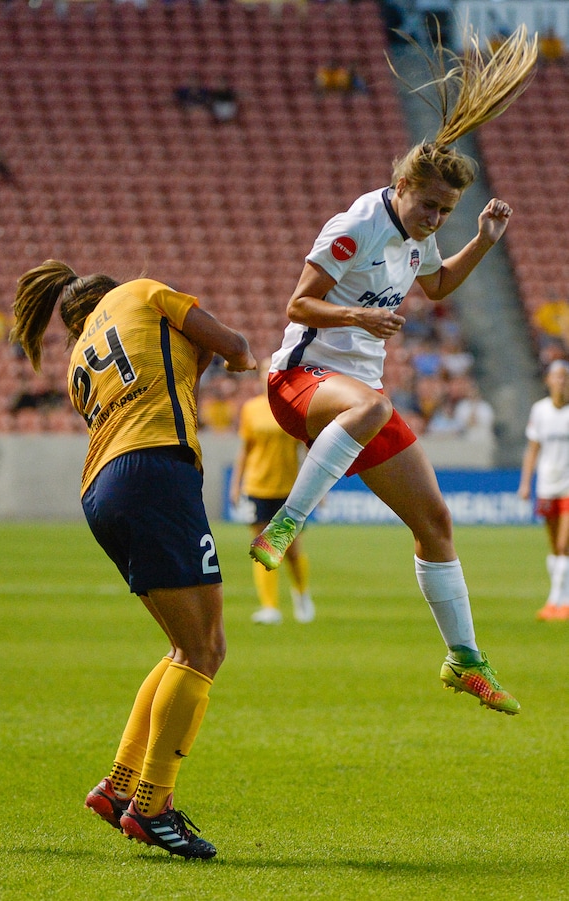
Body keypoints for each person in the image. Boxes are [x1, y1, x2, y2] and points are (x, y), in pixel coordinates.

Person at [249, 25, 538, 716]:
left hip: (355, 400)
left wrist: (480, 240)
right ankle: (285, 522)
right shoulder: (357, 223)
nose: (435, 217)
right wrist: (359, 320)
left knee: (435, 520)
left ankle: (463, 658)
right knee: (375, 408)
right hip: (301, 380)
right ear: (403, 183)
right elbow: (297, 301)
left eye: (445, 211)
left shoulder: (421, 236)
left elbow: (436, 289)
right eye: (430, 204)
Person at [10, 260, 256, 859]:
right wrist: (236, 357)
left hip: (102, 490)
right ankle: (152, 806)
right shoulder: (142, 293)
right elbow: (236, 346)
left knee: (182, 648)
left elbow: (169, 376)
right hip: (155, 471)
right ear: (110, 291)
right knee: (204, 650)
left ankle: (121, 787)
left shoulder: (76, 362)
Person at [230, 358, 315, 624]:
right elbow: (245, 449)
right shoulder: (251, 409)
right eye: (264, 371)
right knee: (262, 547)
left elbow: (307, 448)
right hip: (257, 485)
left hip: (288, 488)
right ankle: (270, 607)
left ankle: (301, 593)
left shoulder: (295, 407)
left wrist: (317, 487)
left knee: (291, 550)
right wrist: (236, 483)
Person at [518, 359, 569, 621]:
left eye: (565, 377)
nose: (561, 381)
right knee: (553, 545)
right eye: (557, 377)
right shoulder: (540, 411)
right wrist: (526, 482)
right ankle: (559, 599)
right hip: (548, 484)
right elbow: (533, 449)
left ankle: (558, 601)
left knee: (564, 544)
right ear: (548, 381)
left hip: (568, 487)